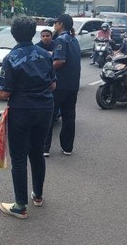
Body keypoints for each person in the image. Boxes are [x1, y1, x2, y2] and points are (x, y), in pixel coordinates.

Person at [0, 16, 55, 219]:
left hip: (21, 110)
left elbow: (3, 93)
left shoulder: (11, 58)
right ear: (34, 33)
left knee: (19, 158)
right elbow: (53, 85)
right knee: (37, 152)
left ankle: (20, 205)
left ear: (14, 34)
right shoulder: (45, 55)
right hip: (45, 108)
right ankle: (37, 196)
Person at [44, 14, 81, 157]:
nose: (54, 25)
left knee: (50, 116)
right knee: (69, 116)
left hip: (60, 85)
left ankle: (44, 148)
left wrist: (47, 71)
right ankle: (67, 147)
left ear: (61, 24)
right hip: (73, 85)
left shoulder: (60, 39)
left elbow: (60, 61)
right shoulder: (74, 40)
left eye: (55, 23)